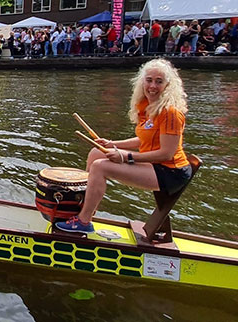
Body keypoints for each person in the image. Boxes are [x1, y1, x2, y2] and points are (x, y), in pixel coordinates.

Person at [56, 59, 191, 233]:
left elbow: (166, 153)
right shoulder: (148, 107)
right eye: (149, 80)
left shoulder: (170, 113)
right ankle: (86, 208)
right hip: (156, 165)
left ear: (168, 85)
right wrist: (112, 144)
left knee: (100, 167)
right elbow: (144, 140)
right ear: (142, 82)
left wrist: (126, 156)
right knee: (96, 153)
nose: (153, 86)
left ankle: (83, 222)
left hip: (170, 172)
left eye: (159, 81)